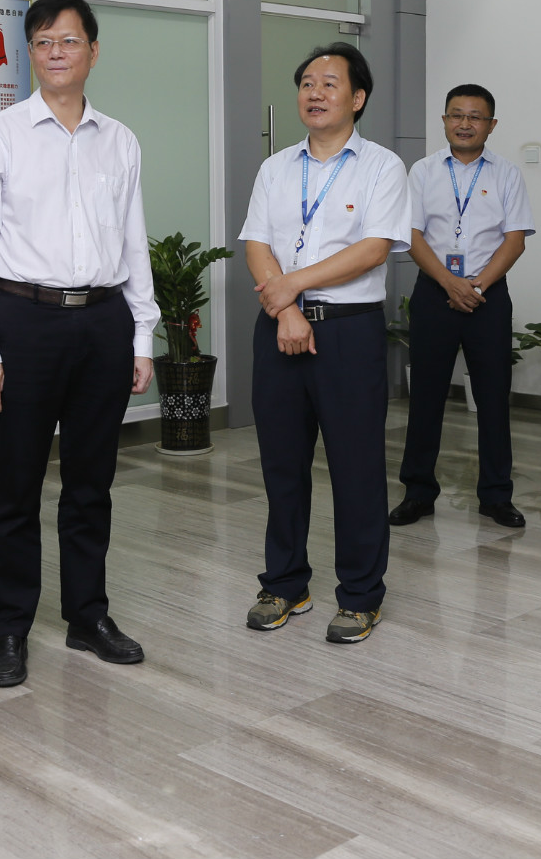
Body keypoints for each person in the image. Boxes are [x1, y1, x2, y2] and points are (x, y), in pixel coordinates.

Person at [0, 0, 159, 688]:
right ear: (29, 54)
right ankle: (10, 628)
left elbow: (134, 242)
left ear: (93, 52)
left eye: (68, 41)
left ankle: (87, 616)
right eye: (43, 42)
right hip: (26, 321)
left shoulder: (120, 140)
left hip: (103, 320)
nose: (55, 53)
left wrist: (141, 334)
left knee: (91, 482)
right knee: (17, 484)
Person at [239, 42, 410, 643]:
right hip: (278, 327)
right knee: (282, 464)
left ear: (357, 98)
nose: (314, 93)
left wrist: (291, 285)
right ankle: (285, 583)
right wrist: (285, 306)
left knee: (356, 467)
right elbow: (256, 243)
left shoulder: (383, 166)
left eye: (329, 83)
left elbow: (373, 248)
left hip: (348, 331)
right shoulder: (276, 167)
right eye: (307, 83)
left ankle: (360, 595)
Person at [390, 84, 534, 529]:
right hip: (435, 293)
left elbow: (515, 239)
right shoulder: (422, 171)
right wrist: (450, 283)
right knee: (426, 397)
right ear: (444, 120)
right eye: (456, 115)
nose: (465, 123)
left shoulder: (507, 174)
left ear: (491, 125)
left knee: (492, 398)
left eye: (475, 117)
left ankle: (496, 495)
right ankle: (418, 492)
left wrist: (476, 285)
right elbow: (411, 235)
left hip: (488, 296)